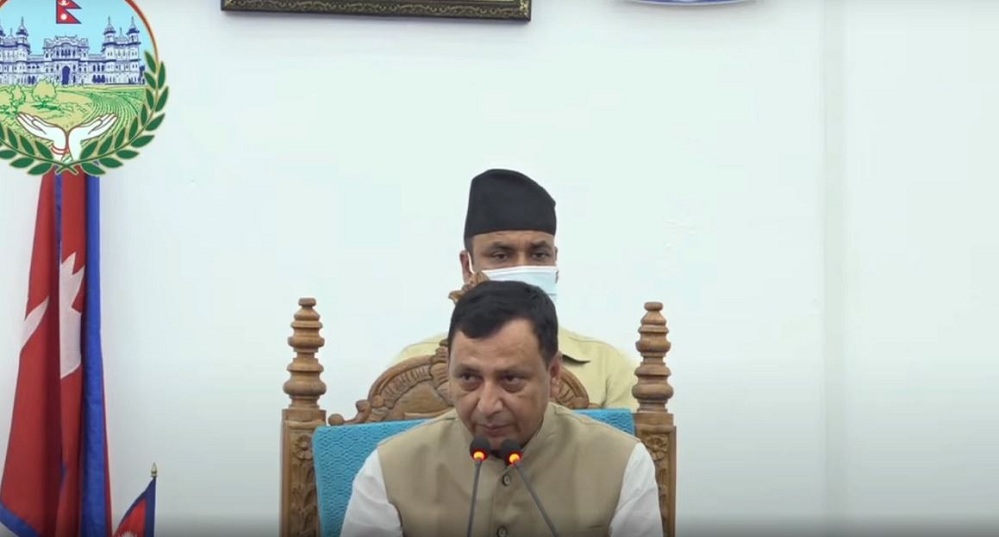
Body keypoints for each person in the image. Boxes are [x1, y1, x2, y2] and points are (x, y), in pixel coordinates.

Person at [342, 280, 663, 537]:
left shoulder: (622, 465)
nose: (487, 405)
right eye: (469, 378)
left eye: (510, 379)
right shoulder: (388, 470)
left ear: (553, 375)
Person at [392, 168, 640, 410]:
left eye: (539, 255)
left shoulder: (608, 370)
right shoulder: (412, 368)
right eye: (501, 255)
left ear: (555, 263)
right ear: (468, 266)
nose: (522, 270)